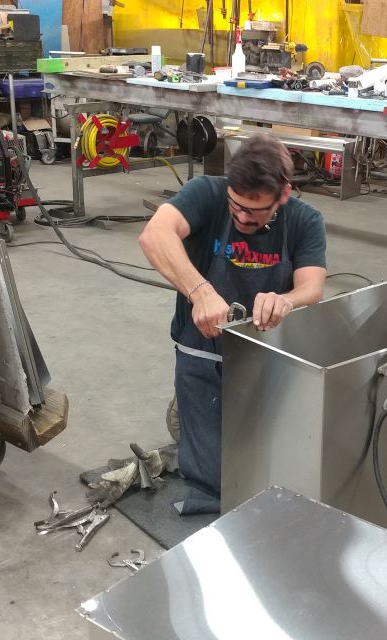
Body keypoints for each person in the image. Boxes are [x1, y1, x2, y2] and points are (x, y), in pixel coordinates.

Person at [139, 135, 327, 514]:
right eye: (236, 207)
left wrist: (285, 299)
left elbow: (313, 287)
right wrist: (201, 291)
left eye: (255, 212)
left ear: (283, 195)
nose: (242, 218)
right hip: (201, 351)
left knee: (271, 471)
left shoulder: (305, 220)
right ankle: (193, 411)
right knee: (215, 484)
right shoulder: (206, 192)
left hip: (266, 355)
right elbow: (154, 235)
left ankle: (206, 418)